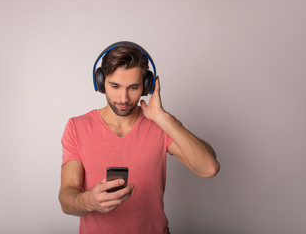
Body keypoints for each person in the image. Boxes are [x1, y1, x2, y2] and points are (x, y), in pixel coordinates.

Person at [58, 41, 220, 234]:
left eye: (133, 87)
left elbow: (209, 168)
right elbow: (67, 199)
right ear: (101, 82)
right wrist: (90, 201)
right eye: (115, 86)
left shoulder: (161, 125)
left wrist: (162, 117)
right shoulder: (77, 127)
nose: (124, 98)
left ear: (146, 86)